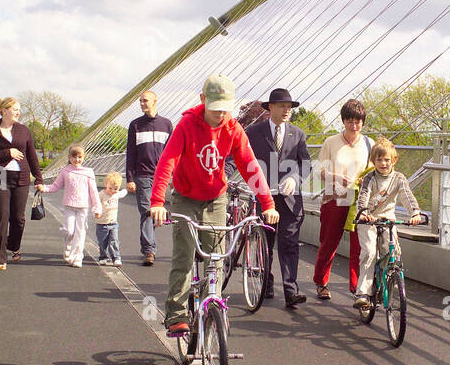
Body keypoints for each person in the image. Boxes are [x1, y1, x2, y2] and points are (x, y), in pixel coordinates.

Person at [148, 75, 280, 337]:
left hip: (216, 198)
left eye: (225, 107)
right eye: (216, 106)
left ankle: (213, 305)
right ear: (202, 100)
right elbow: (167, 162)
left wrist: (268, 203)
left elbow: (250, 166)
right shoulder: (187, 124)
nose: (221, 113)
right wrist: (157, 202)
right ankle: (176, 314)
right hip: (186, 197)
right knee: (184, 257)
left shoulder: (233, 128)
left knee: (216, 257)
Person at [244, 87, 311, 308]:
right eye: (282, 106)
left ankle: (291, 290)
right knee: (265, 243)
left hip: (291, 201)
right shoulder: (254, 133)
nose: (287, 110)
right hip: (264, 199)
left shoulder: (298, 134)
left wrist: (295, 179)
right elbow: (239, 157)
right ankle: (266, 284)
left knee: (290, 244)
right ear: (270, 108)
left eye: (289, 107)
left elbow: (305, 164)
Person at [353, 137, 425, 309]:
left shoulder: (399, 179)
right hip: (368, 219)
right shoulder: (370, 178)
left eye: (387, 160)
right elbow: (363, 197)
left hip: (387, 219)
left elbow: (407, 197)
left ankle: (388, 283)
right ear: (373, 161)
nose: (383, 163)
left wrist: (415, 213)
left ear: (394, 160)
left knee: (392, 252)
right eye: (379, 160)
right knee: (370, 252)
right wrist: (364, 213)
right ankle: (363, 292)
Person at [313, 99, 372, 299]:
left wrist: (367, 179)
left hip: (359, 201)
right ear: (343, 121)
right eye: (349, 121)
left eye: (358, 121)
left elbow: (375, 170)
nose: (354, 125)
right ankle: (321, 282)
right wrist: (336, 176)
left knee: (359, 245)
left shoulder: (368, 144)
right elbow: (319, 170)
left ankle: (357, 288)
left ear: (363, 122)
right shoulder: (331, 142)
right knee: (329, 242)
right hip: (334, 198)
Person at [0, 96, 43, 270]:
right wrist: (7, 152)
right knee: (1, 216)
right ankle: (1, 258)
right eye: (15, 109)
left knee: (18, 218)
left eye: (18, 110)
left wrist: (38, 177)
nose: (18, 112)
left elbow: (31, 156)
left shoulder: (23, 130)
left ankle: (13, 246)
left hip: (21, 176)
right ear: (4, 110)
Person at [125, 90, 174, 267]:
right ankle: (149, 251)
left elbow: (173, 154)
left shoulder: (167, 125)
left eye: (145, 100)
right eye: (140, 101)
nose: (142, 103)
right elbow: (130, 153)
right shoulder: (135, 125)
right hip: (142, 176)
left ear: (155, 101)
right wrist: (130, 178)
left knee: (163, 213)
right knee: (146, 212)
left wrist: (175, 175)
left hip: (163, 177)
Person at [37, 145, 101, 267]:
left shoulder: (88, 173)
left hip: (83, 207)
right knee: (69, 231)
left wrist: (97, 208)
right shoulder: (65, 171)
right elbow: (56, 186)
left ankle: (77, 258)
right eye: (74, 157)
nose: (77, 159)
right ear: (69, 157)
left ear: (83, 157)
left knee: (80, 232)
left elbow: (93, 192)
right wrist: (43, 188)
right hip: (69, 206)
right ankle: (67, 250)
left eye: (80, 157)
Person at [96, 172, 124, 265]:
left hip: (113, 223)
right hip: (102, 223)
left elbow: (122, 193)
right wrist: (96, 212)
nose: (112, 191)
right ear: (106, 185)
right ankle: (103, 257)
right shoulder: (101, 194)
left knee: (114, 240)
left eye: (116, 189)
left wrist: (128, 189)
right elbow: (95, 204)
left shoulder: (116, 194)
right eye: (110, 188)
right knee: (102, 241)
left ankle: (116, 257)